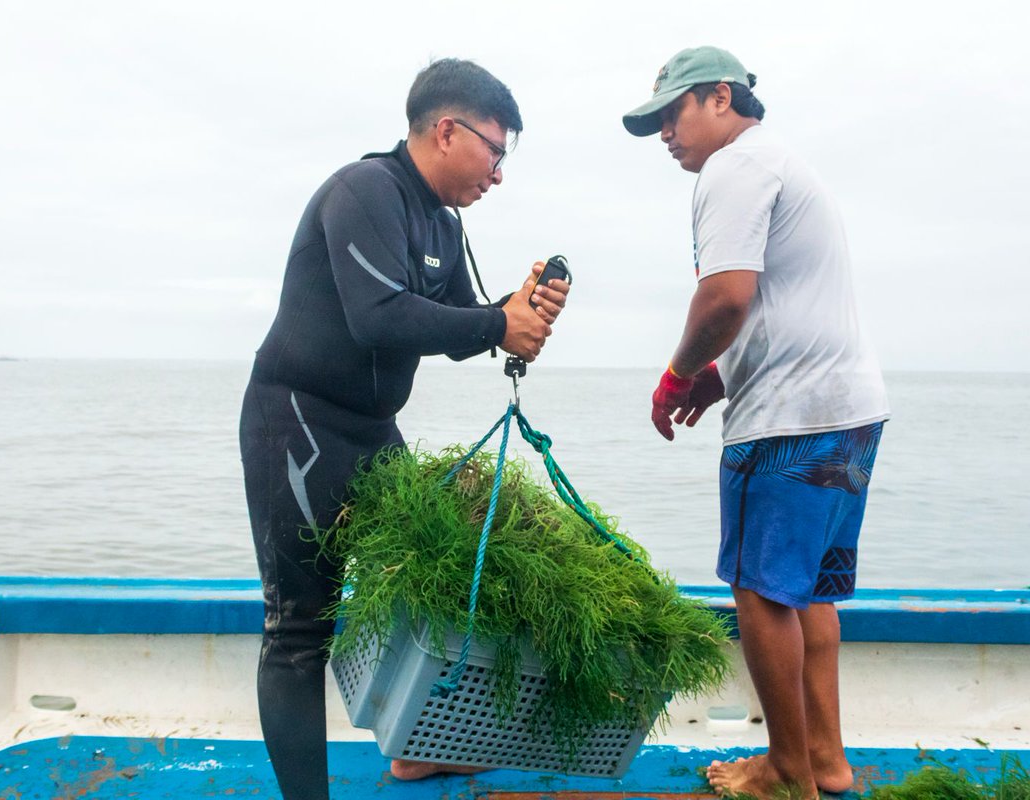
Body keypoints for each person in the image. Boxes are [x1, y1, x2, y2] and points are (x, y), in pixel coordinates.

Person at [239, 58, 570, 800]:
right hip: (297, 427)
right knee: (298, 634)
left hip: (371, 431)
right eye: (496, 150)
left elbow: (455, 330)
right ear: (448, 130)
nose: (498, 173)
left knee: (438, 582)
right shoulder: (365, 191)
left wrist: (513, 313)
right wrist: (497, 322)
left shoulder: (443, 225)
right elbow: (378, 316)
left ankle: (429, 747)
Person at [622, 46, 891, 800]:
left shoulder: (733, 168)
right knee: (809, 594)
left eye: (671, 114)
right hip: (851, 411)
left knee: (762, 594)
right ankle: (829, 762)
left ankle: (786, 773)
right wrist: (713, 379)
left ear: (718, 97)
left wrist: (675, 374)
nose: (665, 135)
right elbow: (778, 308)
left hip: (788, 422)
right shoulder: (780, 162)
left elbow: (728, 299)